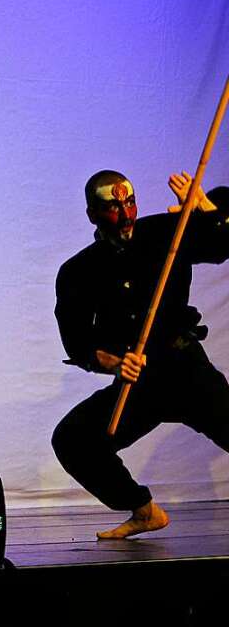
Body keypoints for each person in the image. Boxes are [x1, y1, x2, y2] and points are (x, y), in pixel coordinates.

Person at [52, 169, 229, 539]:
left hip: (184, 368)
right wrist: (116, 362)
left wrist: (204, 206)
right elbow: (79, 344)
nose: (127, 213)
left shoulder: (167, 232)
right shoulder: (77, 272)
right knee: (73, 440)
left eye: (130, 202)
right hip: (141, 381)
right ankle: (144, 510)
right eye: (114, 206)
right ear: (92, 214)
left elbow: (221, 242)